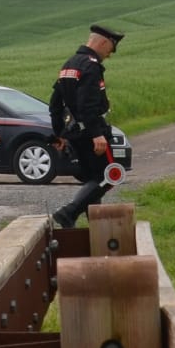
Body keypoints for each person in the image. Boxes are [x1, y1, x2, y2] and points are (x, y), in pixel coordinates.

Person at [49, 23, 125, 228]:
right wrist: (96, 134)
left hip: (74, 133)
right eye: (110, 49)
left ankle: (96, 224)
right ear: (102, 42)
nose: (109, 55)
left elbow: (55, 104)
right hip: (90, 133)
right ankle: (68, 213)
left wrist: (59, 134)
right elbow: (87, 105)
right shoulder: (90, 66)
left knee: (93, 178)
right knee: (109, 175)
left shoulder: (69, 64)